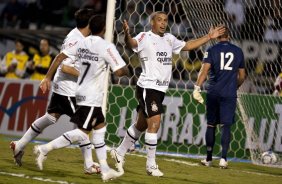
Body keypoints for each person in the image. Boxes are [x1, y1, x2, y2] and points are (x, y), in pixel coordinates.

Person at [110, 11, 225, 177]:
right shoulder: (145, 36)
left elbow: (188, 45)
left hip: (160, 90)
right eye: (159, 20)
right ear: (152, 22)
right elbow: (131, 43)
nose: (163, 23)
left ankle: (119, 152)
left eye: (165, 20)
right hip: (148, 87)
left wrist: (209, 37)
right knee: (155, 123)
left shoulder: (170, 39)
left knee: (141, 125)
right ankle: (151, 166)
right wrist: (127, 33)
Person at [34, 14, 128, 181]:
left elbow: (61, 57)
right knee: (81, 134)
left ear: (91, 28)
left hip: (81, 91)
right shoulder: (106, 46)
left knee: (100, 128)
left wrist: (48, 76)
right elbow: (120, 71)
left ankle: (105, 169)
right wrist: (126, 68)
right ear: (105, 29)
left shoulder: (82, 42)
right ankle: (44, 149)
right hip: (91, 95)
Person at [9, 8, 101, 174]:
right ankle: (88, 164)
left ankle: (20, 144)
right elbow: (64, 64)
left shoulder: (77, 34)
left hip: (63, 86)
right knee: (86, 125)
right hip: (69, 89)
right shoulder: (78, 40)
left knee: (51, 117)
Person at [192, 26, 245, 168]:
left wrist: (197, 88)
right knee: (225, 125)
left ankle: (208, 159)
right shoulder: (238, 51)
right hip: (229, 93)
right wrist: (235, 86)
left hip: (213, 92)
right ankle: (224, 159)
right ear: (230, 36)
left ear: (217, 36)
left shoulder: (211, 50)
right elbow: (242, 76)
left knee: (211, 124)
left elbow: (204, 71)